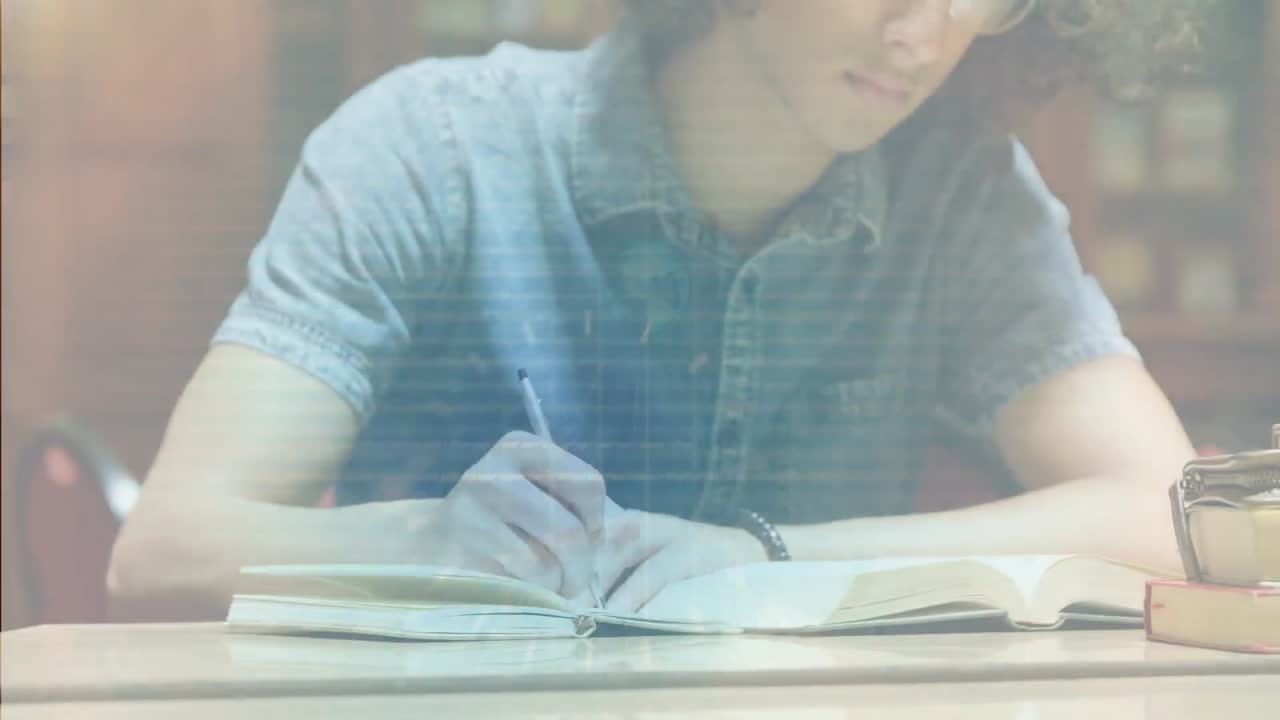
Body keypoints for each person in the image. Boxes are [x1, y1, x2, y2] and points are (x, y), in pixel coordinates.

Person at [108, 0, 1210, 620]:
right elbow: (159, 555)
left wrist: (760, 555)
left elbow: (1170, 515)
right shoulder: (433, 150)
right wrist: (425, 543)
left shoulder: (961, 195)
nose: (924, 31)